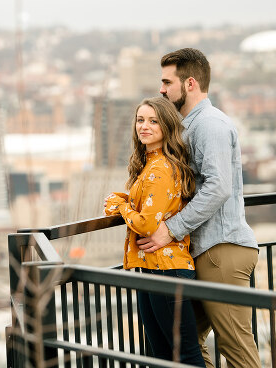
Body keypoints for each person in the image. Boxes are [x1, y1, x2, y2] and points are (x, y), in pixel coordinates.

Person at [136, 48, 260, 368]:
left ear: (189, 83)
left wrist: (170, 230)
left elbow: (217, 187)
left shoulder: (209, 125)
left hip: (221, 251)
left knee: (237, 350)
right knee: (185, 345)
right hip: (205, 253)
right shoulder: (189, 126)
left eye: (167, 82)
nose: (161, 90)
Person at [104, 96, 206, 367]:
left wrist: (119, 206)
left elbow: (147, 224)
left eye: (153, 121)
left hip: (167, 269)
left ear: (166, 127)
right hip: (154, 266)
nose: (144, 126)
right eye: (140, 120)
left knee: (184, 353)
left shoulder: (159, 169)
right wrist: (126, 201)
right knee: (161, 354)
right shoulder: (151, 164)